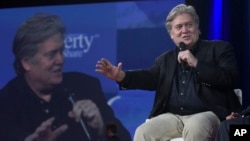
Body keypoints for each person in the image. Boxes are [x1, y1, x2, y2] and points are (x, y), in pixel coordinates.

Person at [95, 3, 242, 141]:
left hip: (208, 113)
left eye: (189, 25)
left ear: (198, 29)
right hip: (173, 117)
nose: (184, 30)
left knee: (195, 126)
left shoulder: (219, 49)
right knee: (143, 132)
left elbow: (230, 77)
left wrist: (196, 63)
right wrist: (121, 76)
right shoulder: (165, 60)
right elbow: (149, 77)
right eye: (178, 27)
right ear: (172, 34)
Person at [0, 12, 131, 141]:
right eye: (51, 54)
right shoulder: (6, 103)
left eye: (61, 51)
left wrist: (102, 126)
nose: (60, 60)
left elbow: (123, 136)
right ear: (26, 62)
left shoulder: (85, 87)